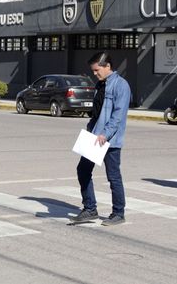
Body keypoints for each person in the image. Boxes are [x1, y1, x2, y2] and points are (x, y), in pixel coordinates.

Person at [71, 52, 131, 226]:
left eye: (97, 70)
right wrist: (90, 130)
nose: (94, 74)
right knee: (83, 170)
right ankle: (90, 209)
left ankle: (118, 213)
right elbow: (97, 112)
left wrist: (106, 134)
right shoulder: (100, 85)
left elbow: (118, 115)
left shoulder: (121, 85)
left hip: (109, 139)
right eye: (93, 71)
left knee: (113, 176)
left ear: (108, 66)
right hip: (95, 137)